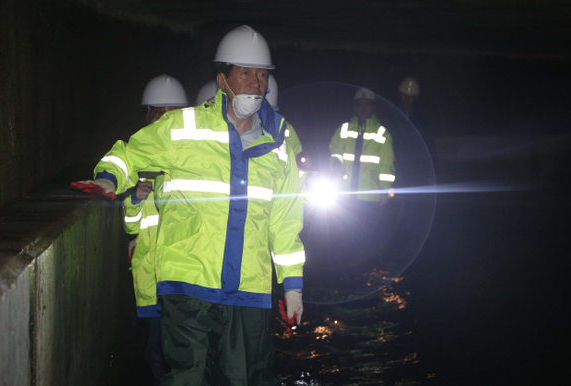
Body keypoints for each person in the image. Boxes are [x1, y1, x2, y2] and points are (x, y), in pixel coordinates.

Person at [72, 25, 305, 385]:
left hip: (249, 291)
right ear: (222, 78)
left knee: (242, 379)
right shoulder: (182, 127)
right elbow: (131, 152)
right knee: (187, 377)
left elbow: (286, 219)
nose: (257, 84)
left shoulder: (282, 141)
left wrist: (292, 286)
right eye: (246, 73)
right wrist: (109, 178)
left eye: (262, 75)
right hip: (186, 285)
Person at [123, 74, 188, 385]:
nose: (164, 120)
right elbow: (131, 225)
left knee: (182, 354)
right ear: (148, 115)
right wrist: (134, 199)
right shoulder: (139, 161)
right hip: (151, 278)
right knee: (156, 354)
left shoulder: (190, 163)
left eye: (171, 113)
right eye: (159, 113)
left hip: (185, 278)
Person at [329, 87, 396, 204]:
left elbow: (387, 166)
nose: (363, 108)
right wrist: (336, 164)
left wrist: (384, 190)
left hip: (370, 198)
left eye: (368, 104)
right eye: (360, 104)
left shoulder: (382, 133)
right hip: (343, 196)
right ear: (355, 107)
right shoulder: (343, 130)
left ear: (373, 107)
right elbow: (334, 152)